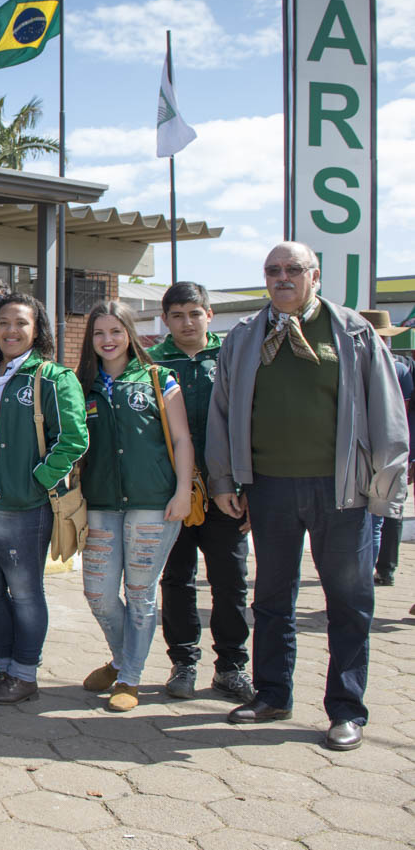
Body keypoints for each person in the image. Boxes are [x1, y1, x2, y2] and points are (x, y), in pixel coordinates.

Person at [208, 242, 408, 752]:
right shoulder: (247, 335)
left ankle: (345, 709)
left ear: (314, 275)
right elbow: (224, 412)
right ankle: (272, 694)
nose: (281, 277)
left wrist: (386, 487)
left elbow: (387, 414)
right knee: (272, 599)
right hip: (270, 488)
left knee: (349, 602)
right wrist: (225, 480)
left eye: (292, 269)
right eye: (272, 270)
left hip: (342, 493)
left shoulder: (355, 332)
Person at [0, 292, 87, 706]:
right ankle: (7, 669)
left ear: (38, 330)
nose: (11, 331)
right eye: (3, 323)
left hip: (21, 500)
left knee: (25, 589)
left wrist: (37, 481)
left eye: (21, 324)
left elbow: (73, 439)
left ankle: (27, 673)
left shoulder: (52, 377)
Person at [75, 301, 194, 713]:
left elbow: (181, 439)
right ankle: (122, 658)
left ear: (130, 332)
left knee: (140, 593)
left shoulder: (159, 379)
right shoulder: (81, 384)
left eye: (115, 331)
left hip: (153, 504)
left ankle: (129, 678)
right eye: (98, 333)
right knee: (98, 594)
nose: (107, 340)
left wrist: (183, 491)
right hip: (100, 504)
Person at [149, 282, 252, 703]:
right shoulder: (151, 363)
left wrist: (248, 487)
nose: (187, 323)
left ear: (210, 315)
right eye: (177, 315)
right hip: (171, 492)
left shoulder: (231, 357)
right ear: (165, 320)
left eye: (195, 313)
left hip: (224, 488)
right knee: (176, 578)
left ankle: (231, 666)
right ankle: (183, 661)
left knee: (230, 579)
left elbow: (250, 422)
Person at [356, 310, 414, 587]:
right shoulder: (400, 368)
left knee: (370, 518)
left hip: (362, 450)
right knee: (384, 514)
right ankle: (379, 571)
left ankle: (362, 575)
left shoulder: (353, 365)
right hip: (391, 448)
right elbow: (404, 414)